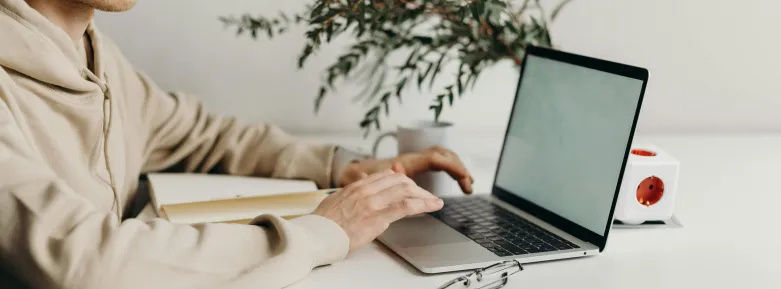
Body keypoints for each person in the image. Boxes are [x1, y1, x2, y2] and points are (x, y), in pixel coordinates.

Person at [0, 0, 475, 288]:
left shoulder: (97, 56)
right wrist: (320, 233)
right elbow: (86, 261)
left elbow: (202, 134)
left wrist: (347, 166)